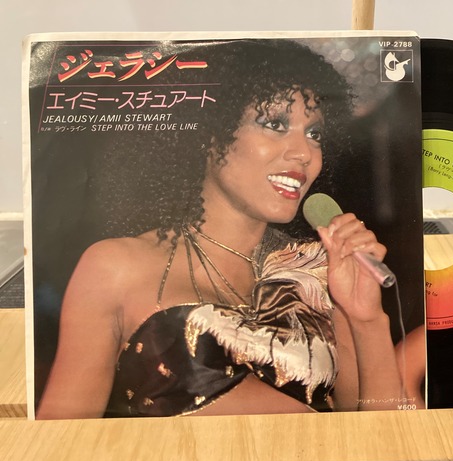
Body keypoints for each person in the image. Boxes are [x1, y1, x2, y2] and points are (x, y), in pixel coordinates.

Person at [36, 39, 425, 418]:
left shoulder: (319, 271)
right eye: (275, 123)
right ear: (211, 133)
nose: (304, 153)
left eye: (314, 134)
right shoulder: (115, 266)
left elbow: (380, 434)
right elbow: (61, 441)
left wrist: (366, 319)